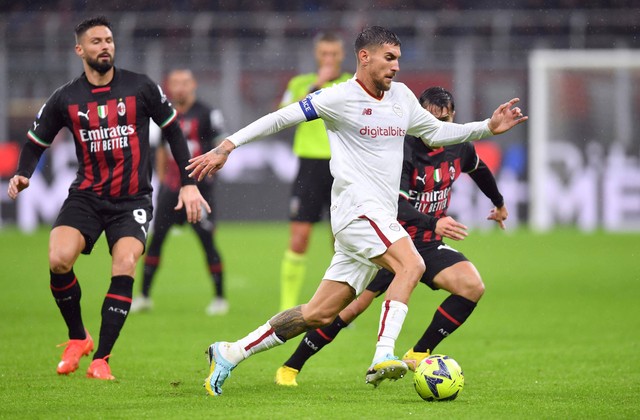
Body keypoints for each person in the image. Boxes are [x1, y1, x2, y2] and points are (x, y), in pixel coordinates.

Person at [187, 26, 526, 396]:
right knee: (412, 264)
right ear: (364, 57)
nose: (396, 66)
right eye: (389, 57)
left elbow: (436, 132)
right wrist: (228, 145)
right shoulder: (338, 98)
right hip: (356, 211)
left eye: (398, 58)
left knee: (318, 313)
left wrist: (488, 128)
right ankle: (383, 354)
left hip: (377, 219)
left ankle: (230, 352)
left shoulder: (401, 98)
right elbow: (281, 118)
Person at [7, 16, 209, 380]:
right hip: (86, 195)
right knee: (58, 258)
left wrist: (188, 181)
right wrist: (23, 171)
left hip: (131, 200)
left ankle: (102, 358)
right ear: (80, 50)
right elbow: (36, 141)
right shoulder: (66, 97)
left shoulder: (141, 87)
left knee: (125, 263)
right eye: (97, 41)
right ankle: (77, 338)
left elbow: (174, 132)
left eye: (109, 40)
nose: (105, 46)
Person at [274, 86, 509, 386]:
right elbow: (396, 205)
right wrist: (432, 222)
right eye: (430, 119)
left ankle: (419, 352)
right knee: (349, 309)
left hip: (426, 243)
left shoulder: (459, 144)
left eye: (445, 120)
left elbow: (479, 169)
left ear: (453, 118)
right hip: (389, 240)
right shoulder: (402, 149)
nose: (437, 127)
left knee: (471, 286)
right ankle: (291, 366)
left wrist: (499, 203)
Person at [130, 69, 228, 316]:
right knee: (155, 242)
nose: (180, 88)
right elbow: (161, 151)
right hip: (172, 191)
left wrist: (209, 176)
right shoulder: (165, 115)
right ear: (170, 87)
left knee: (207, 241)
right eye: (175, 83)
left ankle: (219, 298)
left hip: (199, 190)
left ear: (193, 84)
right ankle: (143, 296)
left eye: (185, 82)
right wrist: (164, 183)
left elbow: (222, 146)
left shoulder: (208, 113)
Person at [278, 32, 352, 311]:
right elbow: (283, 114)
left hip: (342, 167)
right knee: (299, 237)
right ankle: (286, 308)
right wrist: (316, 85)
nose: (329, 59)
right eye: (324, 54)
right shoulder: (300, 83)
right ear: (316, 55)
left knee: (342, 240)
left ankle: (341, 307)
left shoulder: (350, 84)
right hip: (308, 167)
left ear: (342, 56)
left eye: (334, 54)